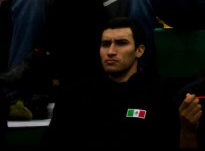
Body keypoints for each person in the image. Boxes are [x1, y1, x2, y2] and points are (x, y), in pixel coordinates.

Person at [45, 18, 170, 149]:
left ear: (139, 50)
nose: (111, 52)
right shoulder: (75, 95)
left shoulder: (160, 94)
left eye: (121, 43)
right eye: (105, 44)